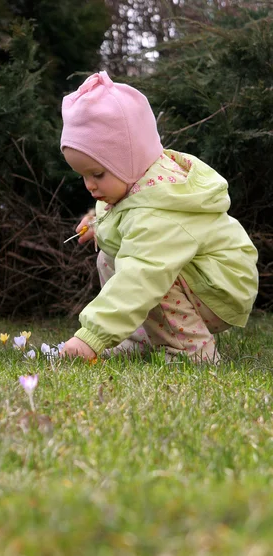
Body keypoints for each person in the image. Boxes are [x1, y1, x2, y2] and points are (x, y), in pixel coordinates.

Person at [60, 71, 258, 363]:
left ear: (129, 159)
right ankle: (142, 339)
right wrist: (99, 223)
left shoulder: (159, 210)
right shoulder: (137, 183)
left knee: (150, 277)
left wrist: (91, 336)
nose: (89, 185)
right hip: (200, 276)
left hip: (220, 288)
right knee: (111, 254)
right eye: (84, 176)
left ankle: (192, 352)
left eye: (97, 174)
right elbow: (125, 215)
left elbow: (141, 275)